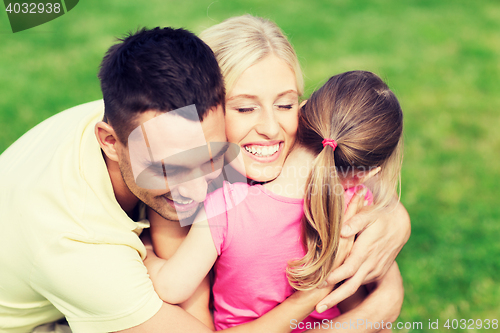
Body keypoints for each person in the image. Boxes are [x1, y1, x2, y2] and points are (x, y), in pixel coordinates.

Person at [0, 26, 322, 333]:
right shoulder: (80, 246)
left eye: (209, 156)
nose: (198, 190)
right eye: (169, 168)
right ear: (110, 142)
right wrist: (322, 295)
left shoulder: (148, 107)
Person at [149, 14, 410, 328]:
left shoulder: (230, 204)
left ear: (305, 107)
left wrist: (397, 220)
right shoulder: (181, 195)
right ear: (200, 112)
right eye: (245, 108)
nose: (271, 129)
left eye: (285, 105)